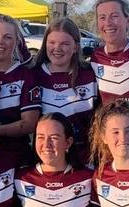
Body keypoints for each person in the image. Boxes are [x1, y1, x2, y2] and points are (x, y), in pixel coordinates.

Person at [0, 14, 41, 167]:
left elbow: (29, 123)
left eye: (7, 37)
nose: (0, 42)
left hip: (15, 158)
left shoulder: (26, 76)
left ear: (17, 42)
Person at [33, 18, 98, 165]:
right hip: (47, 159)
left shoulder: (89, 74)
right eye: (52, 42)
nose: (57, 48)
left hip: (83, 160)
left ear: (75, 47)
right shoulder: (33, 75)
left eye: (65, 43)